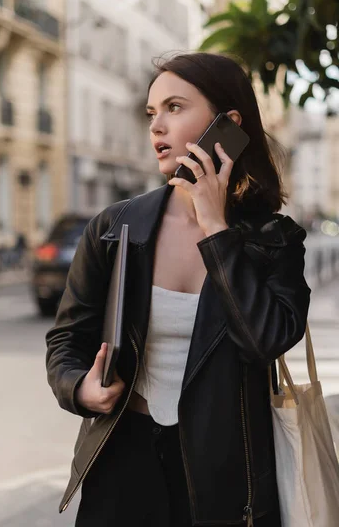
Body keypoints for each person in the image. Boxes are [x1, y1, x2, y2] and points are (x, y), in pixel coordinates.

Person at [45, 52, 311, 527]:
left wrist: (214, 226)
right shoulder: (116, 228)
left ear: (227, 124)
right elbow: (66, 340)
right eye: (152, 114)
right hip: (123, 468)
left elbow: (265, 340)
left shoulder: (275, 240)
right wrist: (80, 389)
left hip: (228, 481)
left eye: (174, 107)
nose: (156, 127)